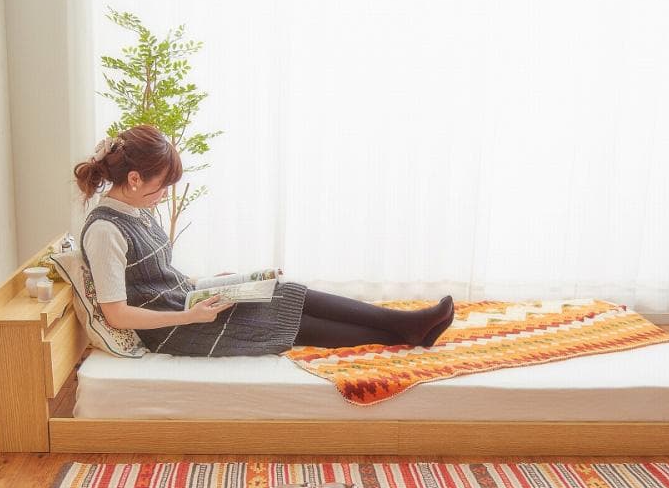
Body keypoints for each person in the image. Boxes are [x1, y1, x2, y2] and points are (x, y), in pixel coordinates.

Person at [73, 124, 454, 358]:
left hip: (185, 303)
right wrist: (190, 315)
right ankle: (405, 332)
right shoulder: (105, 230)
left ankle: (405, 323)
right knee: (280, 319)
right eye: (162, 185)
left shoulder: (135, 210)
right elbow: (117, 314)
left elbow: (155, 277)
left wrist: (212, 283)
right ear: (135, 179)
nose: (164, 194)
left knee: (280, 290)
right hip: (173, 328)